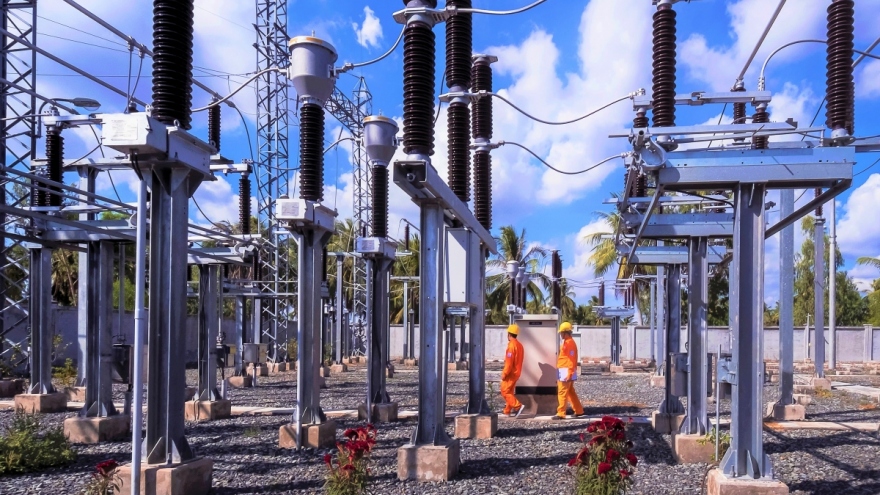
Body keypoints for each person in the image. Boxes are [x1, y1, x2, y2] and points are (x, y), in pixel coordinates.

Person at [553, 321, 584, 420]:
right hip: (565, 370)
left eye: (561, 332)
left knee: (562, 392)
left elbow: (571, 359)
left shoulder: (570, 343)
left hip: (566, 371)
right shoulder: (567, 342)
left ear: (565, 333)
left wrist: (570, 373)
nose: (560, 334)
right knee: (570, 392)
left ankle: (561, 413)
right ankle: (579, 410)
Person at [500, 323, 525, 417]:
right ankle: (507, 411)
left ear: (509, 334)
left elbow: (509, 362)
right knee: (510, 392)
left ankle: (518, 406)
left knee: (504, 391)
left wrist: (505, 373)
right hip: (517, 372)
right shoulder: (520, 345)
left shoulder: (511, 346)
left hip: (511, 373)